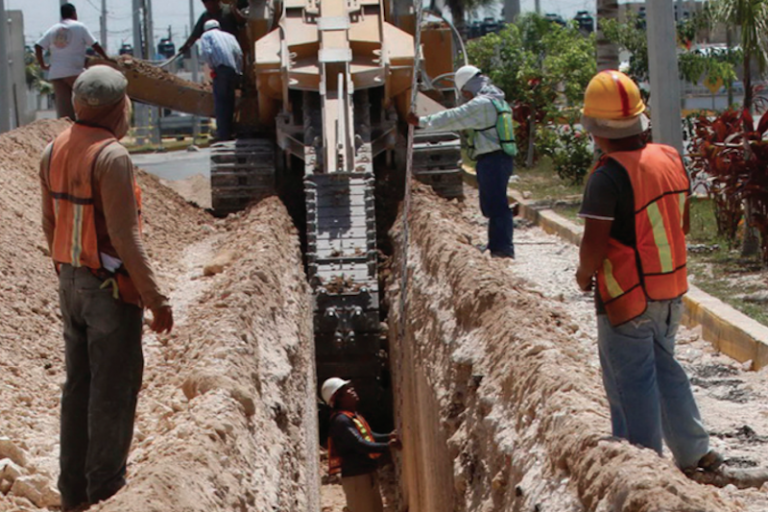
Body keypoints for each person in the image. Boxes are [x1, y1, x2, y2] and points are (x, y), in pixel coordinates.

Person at [39, 65, 174, 512]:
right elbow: (125, 235)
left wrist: (69, 274)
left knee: (78, 388)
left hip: (71, 282)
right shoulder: (111, 156)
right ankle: (107, 493)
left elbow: (49, 224)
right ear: (119, 107)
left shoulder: (53, 149)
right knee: (113, 391)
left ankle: (74, 495)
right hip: (108, 291)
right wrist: (156, 299)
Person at [575, 70, 722, 474]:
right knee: (664, 370)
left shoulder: (607, 177)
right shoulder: (670, 158)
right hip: (670, 290)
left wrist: (584, 275)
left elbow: (594, 244)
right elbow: (682, 223)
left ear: (595, 130)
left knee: (631, 383)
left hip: (627, 296)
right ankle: (696, 456)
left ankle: (642, 467)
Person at [407, 65, 517, 258]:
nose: (466, 96)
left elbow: (454, 117)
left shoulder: (482, 104)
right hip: (498, 158)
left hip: (493, 159)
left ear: (469, 86)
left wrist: (422, 122)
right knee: (492, 204)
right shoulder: (497, 100)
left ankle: (502, 249)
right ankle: (497, 245)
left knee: (497, 205)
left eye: (465, 92)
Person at [322, 378, 401, 512]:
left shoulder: (352, 417)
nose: (352, 391)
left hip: (366, 474)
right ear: (338, 398)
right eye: (347, 390)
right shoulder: (341, 421)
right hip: (357, 478)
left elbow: (369, 436)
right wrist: (388, 446)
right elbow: (360, 443)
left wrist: (388, 436)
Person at [35, 3, 109, 120]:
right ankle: (88, 123)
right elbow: (95, 45)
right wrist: (106, 58)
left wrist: (43, 65)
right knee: (87, 99)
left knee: (64, 110)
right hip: (75, 72)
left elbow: (38, 46)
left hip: (56, 74)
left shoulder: (53, 29)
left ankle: (67, 129)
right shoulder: (80, 27)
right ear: (74, 13)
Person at [198, 19, 243, 142]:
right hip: (233, 71)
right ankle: (230, 130)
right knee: (230, 102)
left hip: (220, 69)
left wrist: (212, 67)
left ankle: (223, 134)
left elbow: (206, 52)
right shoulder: (229, 36)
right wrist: (239, 72)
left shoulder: (206, 36)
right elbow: (239, 53)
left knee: (221, 103)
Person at [178, 0, 247, 56]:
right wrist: (185, 47)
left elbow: (242, 23)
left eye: (211, 5)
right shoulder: (206, 16)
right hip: (216, 55)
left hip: (232, 50)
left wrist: (236, 11)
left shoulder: (229, 11)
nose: (209, 8)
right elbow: (195, 35)